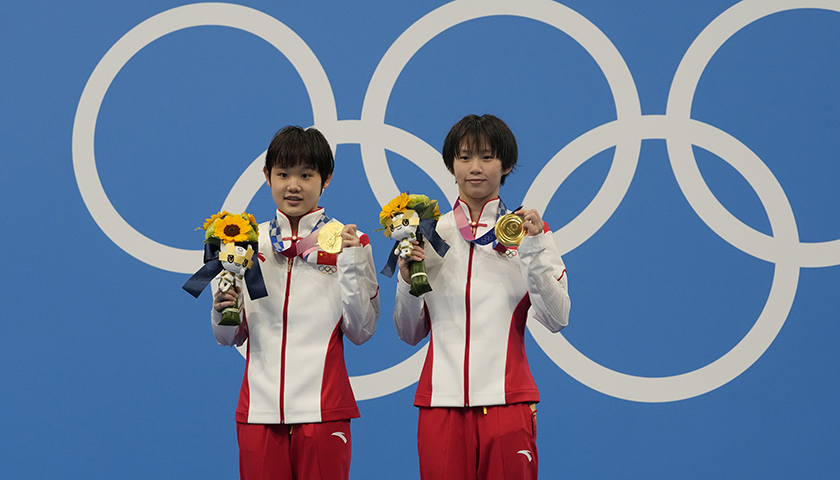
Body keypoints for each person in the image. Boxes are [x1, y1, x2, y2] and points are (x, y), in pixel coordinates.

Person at [394, 114, 570, 480]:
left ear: (506, 165)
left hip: (508, 402)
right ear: (451, 165)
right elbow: (409, 333)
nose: (475, 167)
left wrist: (533, 250)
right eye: (464, 157)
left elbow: (557, 318)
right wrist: (408, 280)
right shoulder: (427, 234)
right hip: (441, 405)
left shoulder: (528, 232)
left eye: (487, 157)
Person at [212, 125, 380, 480]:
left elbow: (361, 331)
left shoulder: (352, 242)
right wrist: (222, 310)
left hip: (324, 411)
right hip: (259, 411)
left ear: (326, 178)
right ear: (267, 176)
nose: (293, 185)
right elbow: (227, 337)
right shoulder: (242, 241)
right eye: (283, 174)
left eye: (306, 175)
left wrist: (350, 264)